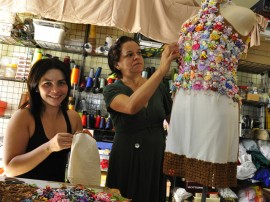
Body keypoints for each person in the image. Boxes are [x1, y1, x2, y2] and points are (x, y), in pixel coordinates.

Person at [163, 0, 257, 189]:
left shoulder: (243, 15)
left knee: (210, 170)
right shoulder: (189, 22)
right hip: (184, 102)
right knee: (182, 169)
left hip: (215, 102)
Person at [103, 36, 179, 202]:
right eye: (129, 55)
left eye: (138, 53)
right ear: (117, 64)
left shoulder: (159, 86)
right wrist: (161, 70)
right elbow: (131, 106)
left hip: (154, 157)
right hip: (126, 157)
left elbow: (174, 120)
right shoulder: (111, 90)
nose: (137, 57)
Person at [3, 58, 83, 182]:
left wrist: (85, 143)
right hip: (22, 192)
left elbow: (78, 162)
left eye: (61, 83)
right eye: (47, 84)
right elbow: (10, 169)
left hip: (56, 193)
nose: (56, 90)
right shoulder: (23, 117)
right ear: (36, 87)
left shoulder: (73, 118)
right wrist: (49, 147)